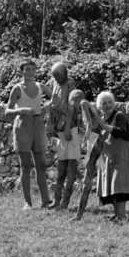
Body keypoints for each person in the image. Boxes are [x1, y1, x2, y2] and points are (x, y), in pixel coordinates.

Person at [4, 59, 52, 210]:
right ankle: (27, 202)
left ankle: (45, 201)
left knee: (42, 165)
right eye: (27, 69)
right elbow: (7, 111)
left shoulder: (41, 87)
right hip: (23, 125)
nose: (30, 72)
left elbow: (55, 97)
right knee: (25, 165)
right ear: (22, 71)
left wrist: (48, 107)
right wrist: (21, 110)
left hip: (38, 124)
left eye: (33, 69)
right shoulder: (17, 89)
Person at [94, 91, 129, 221]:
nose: (107, 105)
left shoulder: (120, 117)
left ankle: (121, 215)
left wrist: (104, 126)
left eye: (109, 102)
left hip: (122, 157)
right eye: (104, 103)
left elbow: (122, 133)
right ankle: (116, 213)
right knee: (111, 185)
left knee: (119, 185)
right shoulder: (102, 118)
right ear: (99, 105)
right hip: (109, 156)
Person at [68, 90, 105, 222]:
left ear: (76, 99)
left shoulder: (84, 103)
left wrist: (84, 140)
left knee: (87, 178)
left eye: (72, 102)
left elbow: (90, 124)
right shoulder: (91, 105)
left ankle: (79, 214)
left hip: (94, 139)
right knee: (89, 176)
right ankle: (79, 212)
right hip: (98, 138)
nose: (73, 106)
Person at [49, 62, 79, 210]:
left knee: (71, 165)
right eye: (54, 76)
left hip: (70, 129)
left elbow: (71, 108)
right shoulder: (55, 84)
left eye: (58, 75)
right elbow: (53, 105)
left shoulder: (70, 84)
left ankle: (65, 201)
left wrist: (67, 127)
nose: (56, 78)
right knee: (61, 166)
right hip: (60, 129)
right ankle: (57, 200)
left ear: (65, 73)